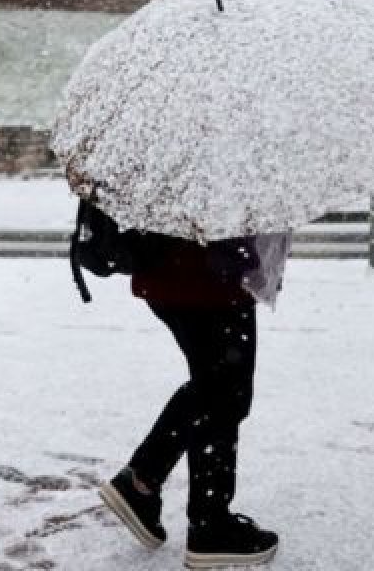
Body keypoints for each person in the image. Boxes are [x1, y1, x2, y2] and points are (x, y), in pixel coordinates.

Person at [99, 231, 291, 569]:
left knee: (215, 386)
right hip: (207, 276)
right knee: (225, 393)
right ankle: (209, 525)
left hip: (171, 269)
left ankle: (142, 483)